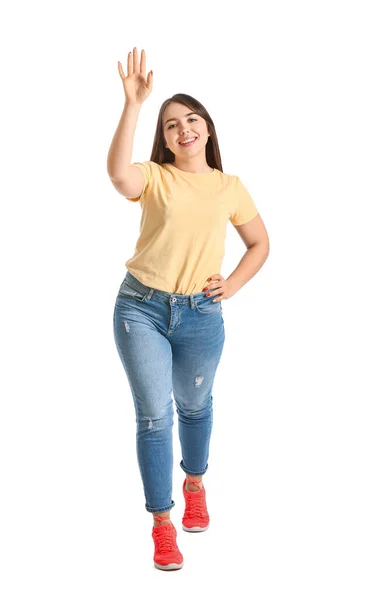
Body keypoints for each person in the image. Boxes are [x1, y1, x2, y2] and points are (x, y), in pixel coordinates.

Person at [107, 47, 270, 571]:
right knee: (155, 416)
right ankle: (162, 524)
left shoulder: (229, 187)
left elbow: (260, 243)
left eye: (191, 120)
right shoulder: (154, 176)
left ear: (207, 128)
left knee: (195, 408)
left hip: (201, 313)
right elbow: (117, 176)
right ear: (165, 137)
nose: (183, 130)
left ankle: (195, 481)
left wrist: (234, 287)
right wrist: (133, 104)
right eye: (172, 124)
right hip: (141, 309)